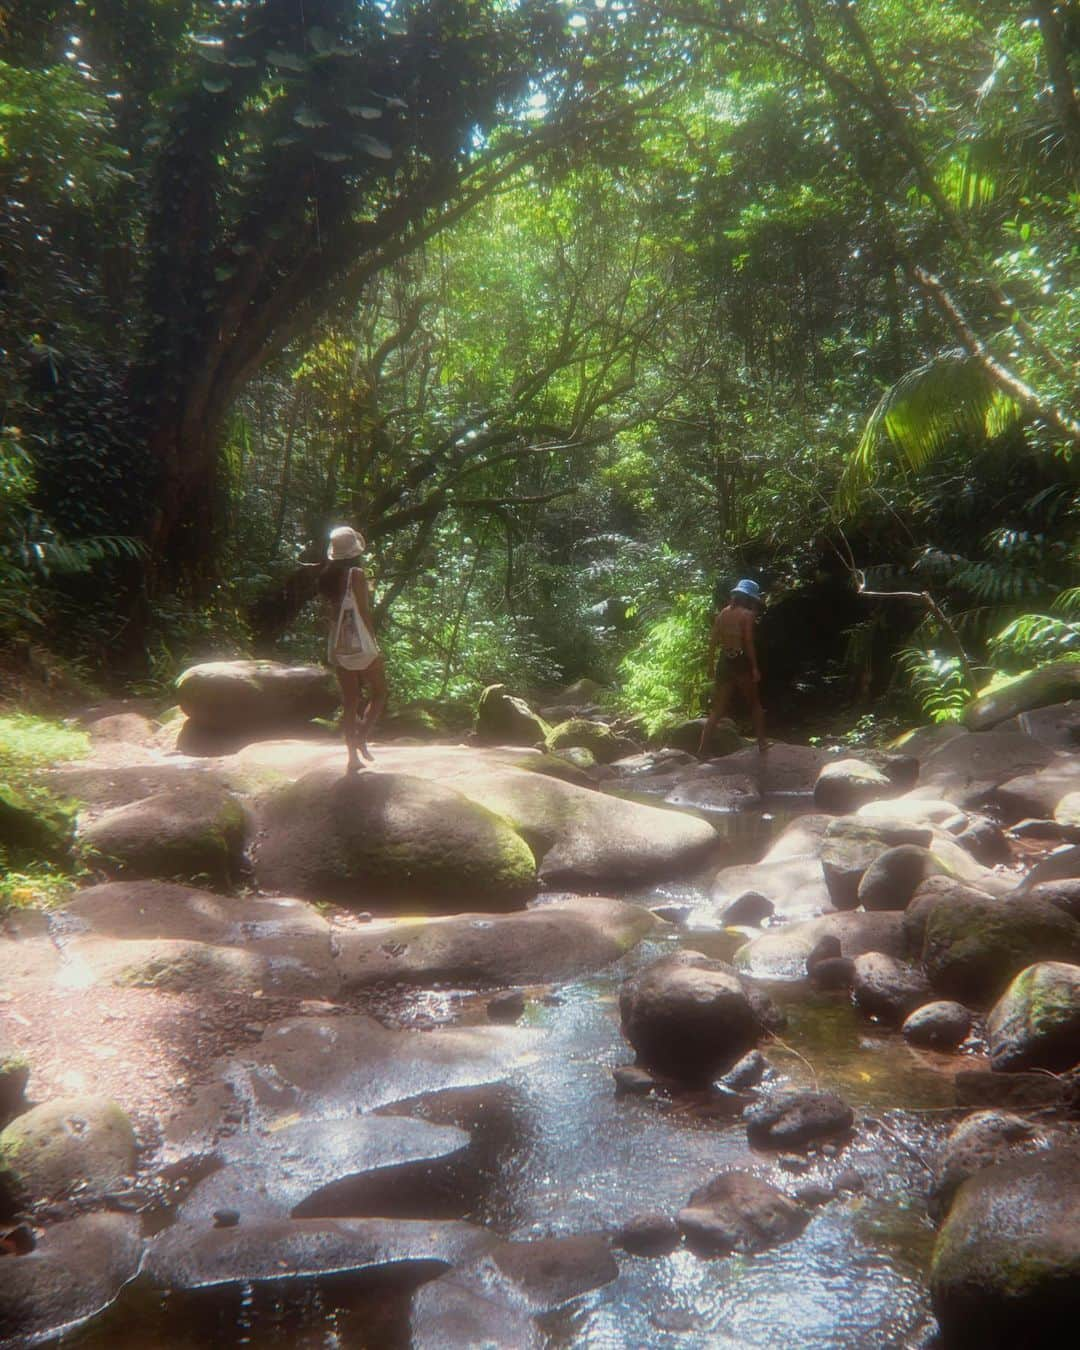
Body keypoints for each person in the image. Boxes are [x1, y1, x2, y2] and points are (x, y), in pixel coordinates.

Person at [319, 525, 387, 773]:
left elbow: (331, 613)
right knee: (379, 692)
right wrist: (373, 641)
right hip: (360, 642)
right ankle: (361, 737)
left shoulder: (328, 577)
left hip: (338, 642)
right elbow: (364, 611)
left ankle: (352, 757)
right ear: (354, 551)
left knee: (350, 701)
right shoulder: (356, 574)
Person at [698, 578, 767, 757]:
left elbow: (713, 641)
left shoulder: (722, 613)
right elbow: (748, 643)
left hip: (724, 662)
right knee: (755, 705)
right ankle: (762, 744)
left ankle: (702, 750)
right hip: (741, 661)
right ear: (749, 598)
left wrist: (710, 665)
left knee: (717, 710)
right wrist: (754, 668)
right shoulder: (747, 615)